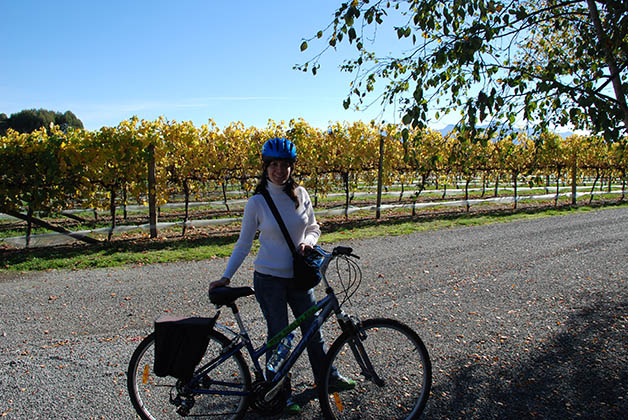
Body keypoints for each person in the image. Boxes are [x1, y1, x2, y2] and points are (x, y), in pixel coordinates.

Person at [208, 137, 354, 415]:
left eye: (284, 164)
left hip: (299, 278)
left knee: (314, 331)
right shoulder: (257, 202)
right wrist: (226, 277)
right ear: (265, 167)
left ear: (291, 167)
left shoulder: (301, 193)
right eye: (273, 164)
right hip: (269, 280)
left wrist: (309, 242)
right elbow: (244, 243)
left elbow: (313, 227)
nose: (279, 170)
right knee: (280, 338)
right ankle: (278, 394)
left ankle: (327, 377)